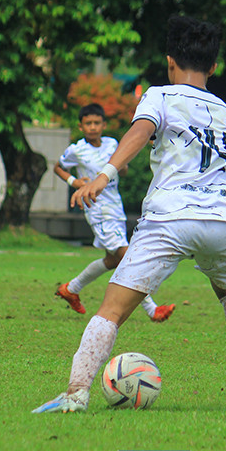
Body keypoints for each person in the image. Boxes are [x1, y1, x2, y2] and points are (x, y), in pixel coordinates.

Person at [33, 15, 226, 413]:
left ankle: (75, 393)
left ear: (170, 62)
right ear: (213, 67)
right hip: (222, 222)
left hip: (170, 217)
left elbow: (139, 133)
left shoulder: (160, 96)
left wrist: (103, 175)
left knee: (111, 310)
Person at [52, 103, 174, 323]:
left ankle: (71, 289)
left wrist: (122, 166)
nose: (92, 127)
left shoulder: (111, 144)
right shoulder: (76, 149)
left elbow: (122, 168)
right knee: (128, 258)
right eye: (88, 123)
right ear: (81, 126)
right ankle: (152, 309)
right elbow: (58, 167)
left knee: (111, 260)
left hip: (115, 207)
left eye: (96, 123)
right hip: (97, 210)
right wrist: (75, 181)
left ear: (103, 125)